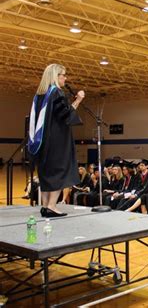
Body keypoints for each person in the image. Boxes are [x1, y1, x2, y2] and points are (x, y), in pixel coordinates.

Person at [27, 64, 84, 217]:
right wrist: (78, 100)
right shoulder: (57, 93)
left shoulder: (39, 95)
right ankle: (52, 206)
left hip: (42, 142)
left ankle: (45, 206)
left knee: (46, 172)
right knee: (60, 170)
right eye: (63, 75)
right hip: (57, 141)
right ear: (55, 76)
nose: (65, 78)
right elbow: (65, 117)